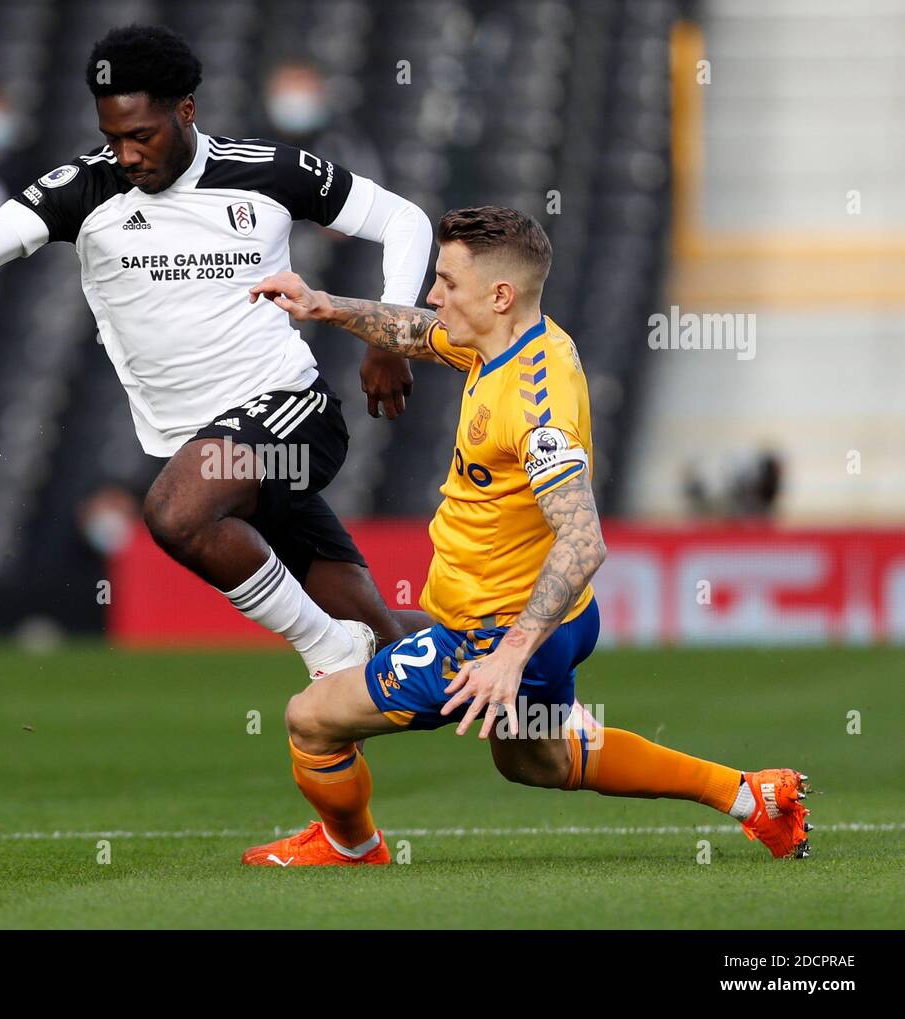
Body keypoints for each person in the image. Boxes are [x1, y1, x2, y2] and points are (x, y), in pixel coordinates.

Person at [0, 25, 435, 679]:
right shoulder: (82, 189)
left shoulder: (265, 170)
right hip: (206, 447)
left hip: (290, 411)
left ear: (186, 111)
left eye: (140, 135)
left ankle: (327, 650)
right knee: (395, 640)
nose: (125, 154)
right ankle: (513, 673)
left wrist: (390, 335)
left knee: (175, 513)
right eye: (112, 136)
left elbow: (404, 219)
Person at [240, 206, 811, 865]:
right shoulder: (507, 339)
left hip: (495, 631)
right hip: (557, 620)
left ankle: (351, 845)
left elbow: (584, 540)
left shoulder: (536, 408)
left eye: (446, 281)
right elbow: (417, 330)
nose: (433, 294)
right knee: (535, 759)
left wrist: (507, 654)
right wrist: (324, 304)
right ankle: (752, 797)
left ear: (499, 294)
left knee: (311, 719)